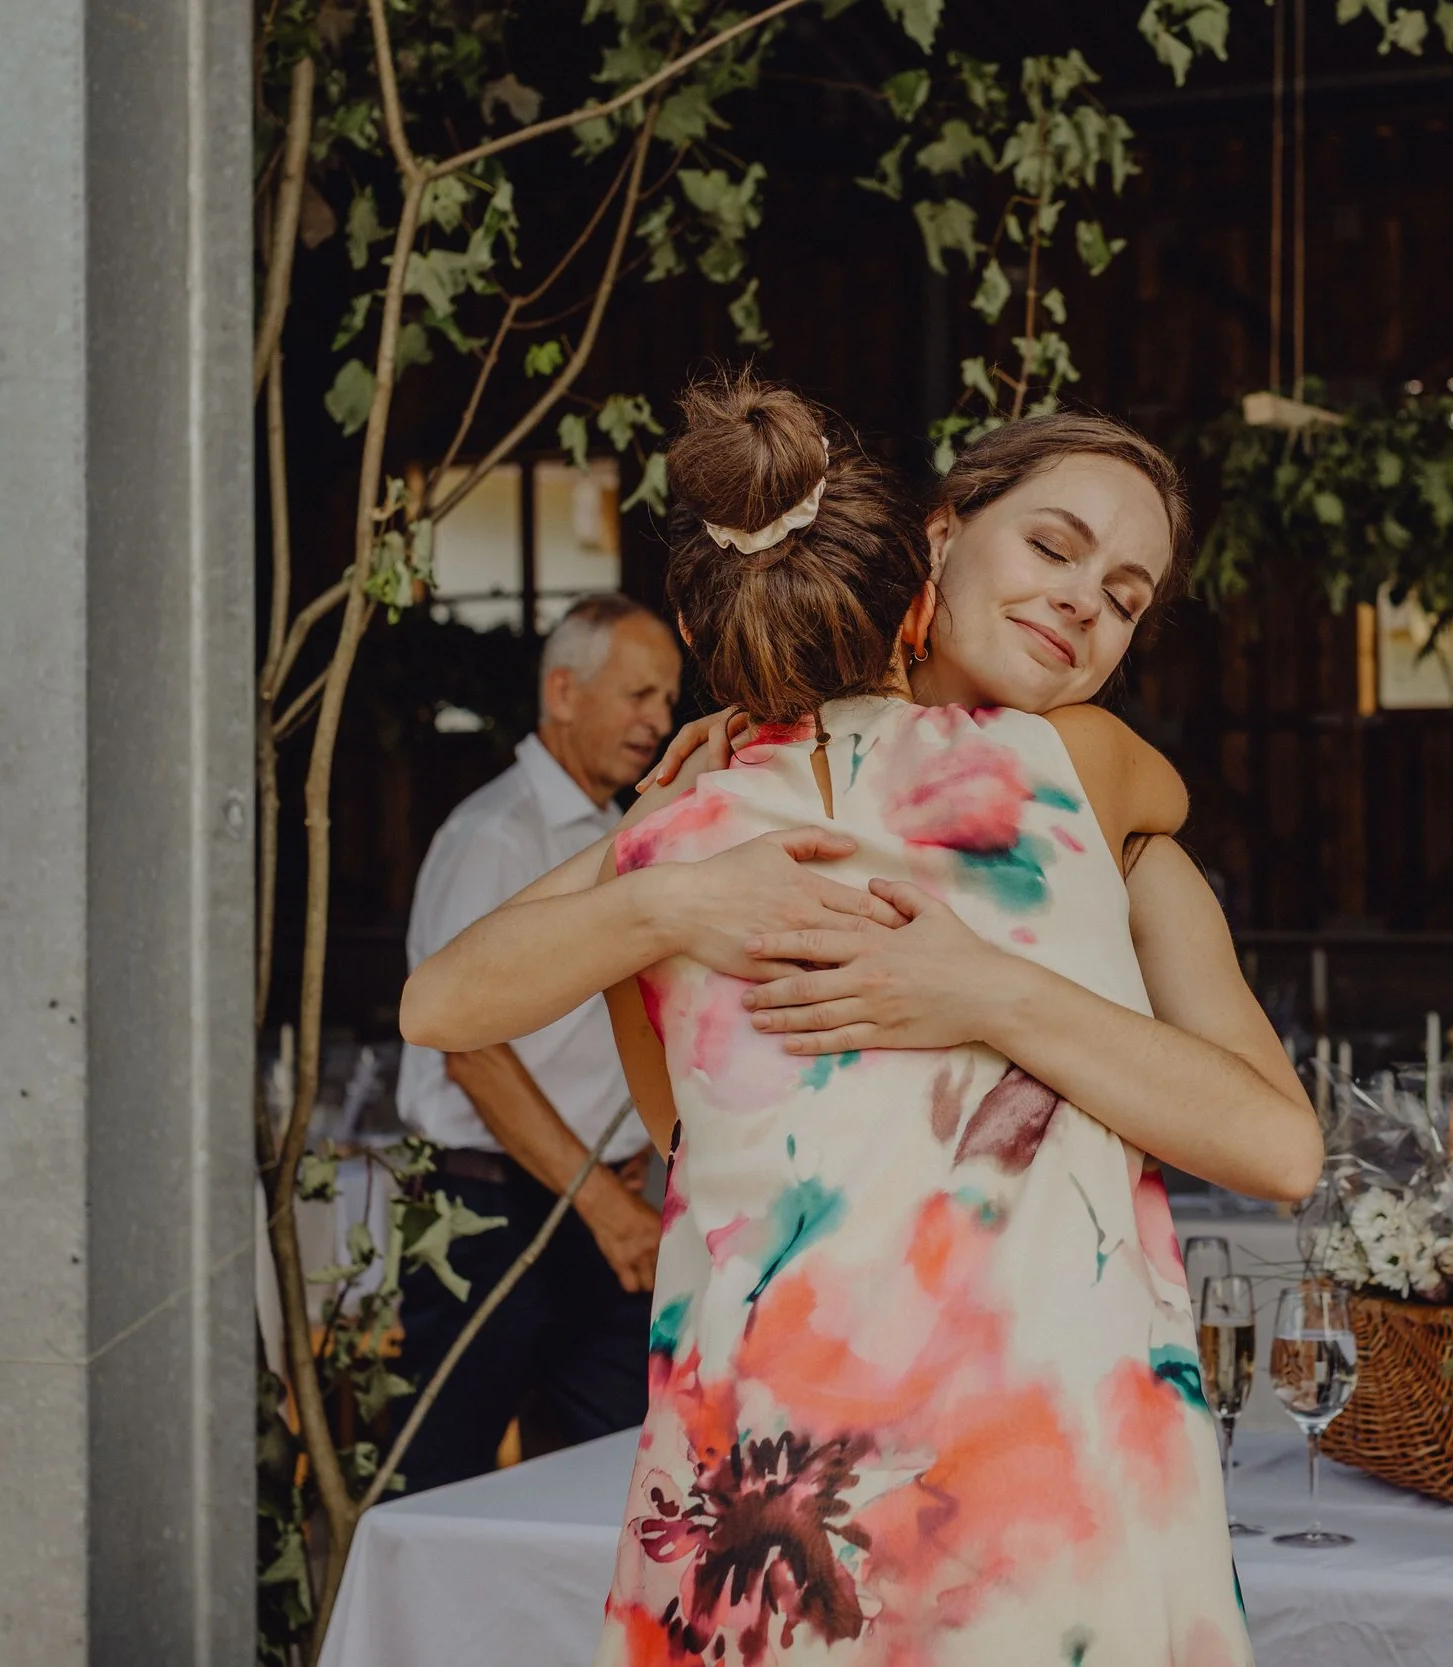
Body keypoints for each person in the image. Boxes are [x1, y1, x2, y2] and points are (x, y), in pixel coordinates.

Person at [403, 375, 1312, 1664]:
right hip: (922, 1509)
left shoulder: (1087, 807)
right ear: (935, 537)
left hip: (908, 1501)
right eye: (1054, 546)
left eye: (1125, 596)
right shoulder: (720, 819)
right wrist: (678, 892)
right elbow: (662, 1124)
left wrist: (980, 987)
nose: (1083, 602)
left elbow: (1281, 1148)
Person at [389, 592, 684, 1491]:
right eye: (638, 695)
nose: (659, 720)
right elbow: (469, 1049)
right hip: (491, 1215)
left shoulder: (615, 827)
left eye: (668, 699)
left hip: (601, 1212)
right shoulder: (495, 835)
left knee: (631, 1479)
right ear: (563, 692)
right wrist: (605, 1206)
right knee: (440, 1481)